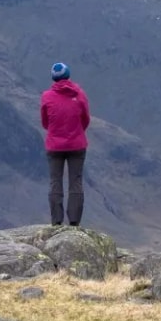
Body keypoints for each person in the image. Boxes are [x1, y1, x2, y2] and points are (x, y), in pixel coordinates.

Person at [41, 62, 90, 226]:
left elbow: (45, 122)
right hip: (77, 144)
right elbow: (85, 119)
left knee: (55, 181)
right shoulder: (79, 94)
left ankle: (56, 221)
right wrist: (76, 131)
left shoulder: (47, 97)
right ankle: (75, 222)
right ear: (68, 75)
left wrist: (57, 133)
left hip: (54, 146)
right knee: (75, 181)